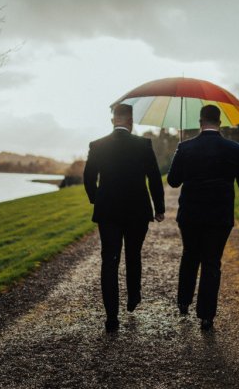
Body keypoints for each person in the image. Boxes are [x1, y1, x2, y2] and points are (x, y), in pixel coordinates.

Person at [167, 104, 239, 331]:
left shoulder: (185, 147)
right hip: (219, 215)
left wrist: (179, 154)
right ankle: (206, 316)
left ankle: (184, 301)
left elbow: (174, 181)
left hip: (191, 214)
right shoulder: (234, 148)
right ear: (220, 122)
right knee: (212, 261)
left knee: (190, 255)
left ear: (200, 121)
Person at [83, 103, 165, 332]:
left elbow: (88, 177)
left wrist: (95, 198)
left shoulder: (98, 145)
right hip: (137, 209)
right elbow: (154, 178)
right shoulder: (143, 144)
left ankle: (111, 317)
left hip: (108, 210)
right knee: (133, 254)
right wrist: (159, 207)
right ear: (130, 121)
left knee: (109, 260)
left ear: (113, 121)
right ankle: (134, 296)